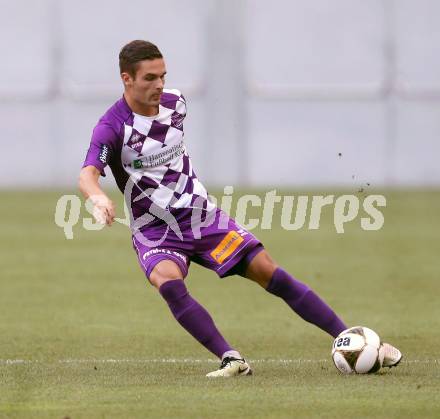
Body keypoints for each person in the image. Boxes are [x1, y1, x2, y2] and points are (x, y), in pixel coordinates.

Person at [79, 40, 402, 377]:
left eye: (163, 76)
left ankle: (351, 338)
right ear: (126, 79)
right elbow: (87, 174)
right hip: (155, 229)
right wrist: (97, 197)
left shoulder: (176, 104)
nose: (159, 85)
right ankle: (231, 358)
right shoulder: (112, 127)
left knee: (269, 271)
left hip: (201, 216)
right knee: (169, 283)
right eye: (149, 78)